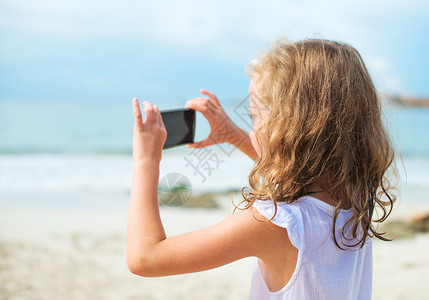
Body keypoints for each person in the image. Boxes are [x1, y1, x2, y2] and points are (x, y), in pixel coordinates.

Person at [127, 38, 397, 299]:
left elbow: (145, 258)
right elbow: (301, 167)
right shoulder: (356, 198)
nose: (252, 127)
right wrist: (233, 135)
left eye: (255, 117)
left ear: (290, 128)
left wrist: (146, 161)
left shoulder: (277, 223)